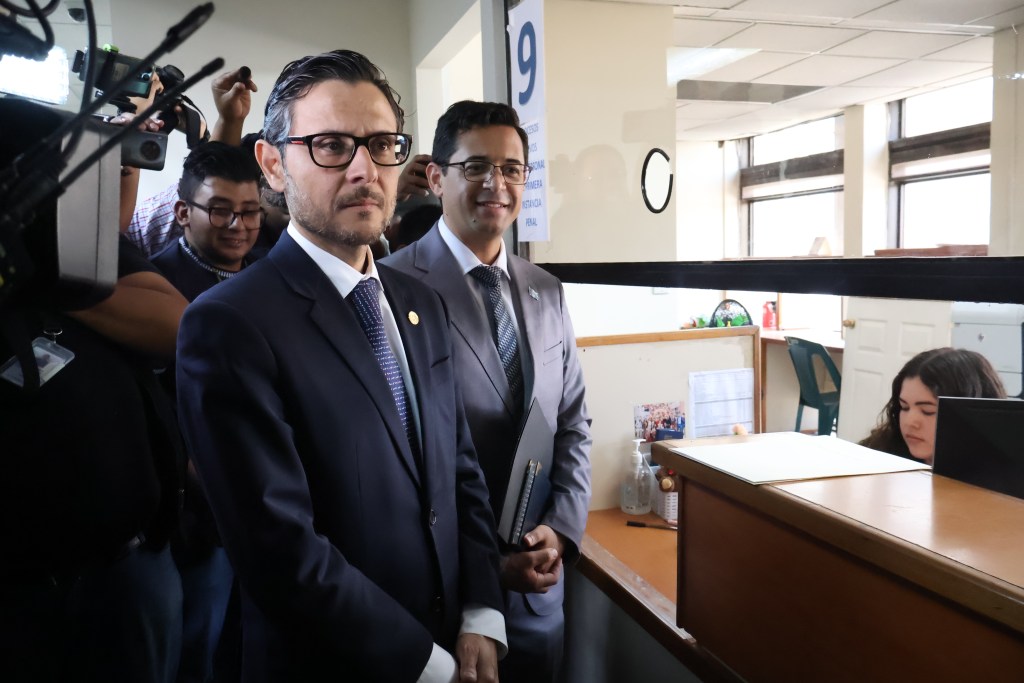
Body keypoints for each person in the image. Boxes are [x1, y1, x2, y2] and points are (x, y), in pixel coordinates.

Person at [175, 50, 505, 683]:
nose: (365, 170)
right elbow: (279, 552)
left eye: (382, 145)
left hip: (452, 637)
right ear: (272, 164)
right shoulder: (230, 325)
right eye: (331, 145)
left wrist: (482, 612)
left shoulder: (419, 303)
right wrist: (428, 666)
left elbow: (459, 469)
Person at [383, 100, 592, 682]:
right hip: (447, 592)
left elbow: (572, 421)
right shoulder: (392, 288)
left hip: (540, 590)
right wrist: (486, 564)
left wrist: (563, 530)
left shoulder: (545, 288)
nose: (496, 185)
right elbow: (396, 460)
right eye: (475, 167)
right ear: (436, 176)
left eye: (512, 168)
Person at [151, 141, 263, 301]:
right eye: (221, 210)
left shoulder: (270, 270)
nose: (238, 225)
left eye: (250, 211)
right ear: (183, 213)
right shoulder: (156, 285)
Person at [860, 347, 1007, 464]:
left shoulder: (1004, 478)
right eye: (904, 407)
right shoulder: (878, 452)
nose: (910, 422)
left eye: (927, 411)